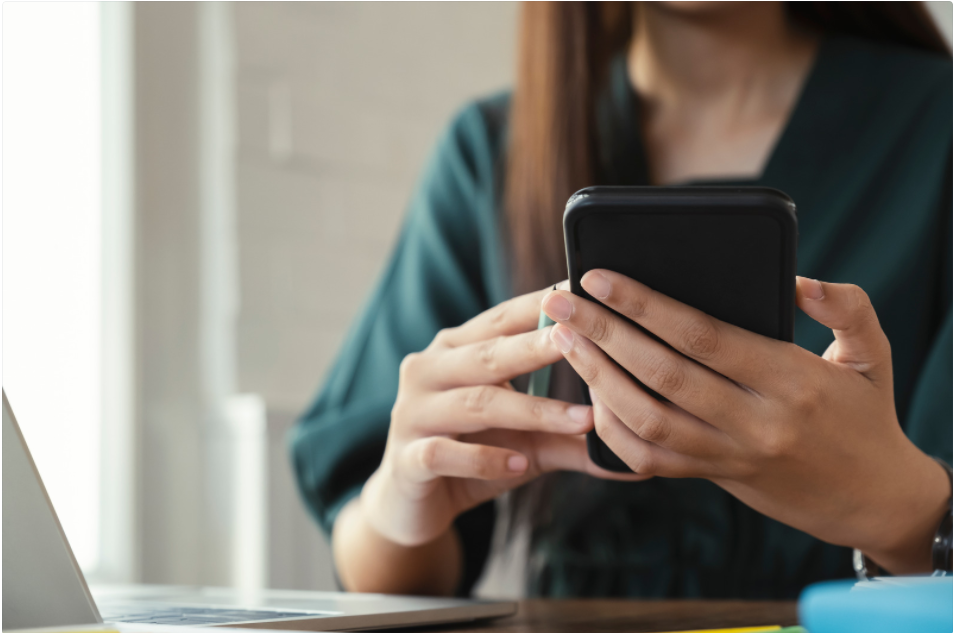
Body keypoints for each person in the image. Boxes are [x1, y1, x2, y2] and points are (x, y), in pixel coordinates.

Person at [291, 2, 953, 598]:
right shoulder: (491, 154)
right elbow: (389, 565)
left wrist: (899, 510)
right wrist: (398, 505)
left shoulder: (935, 131)